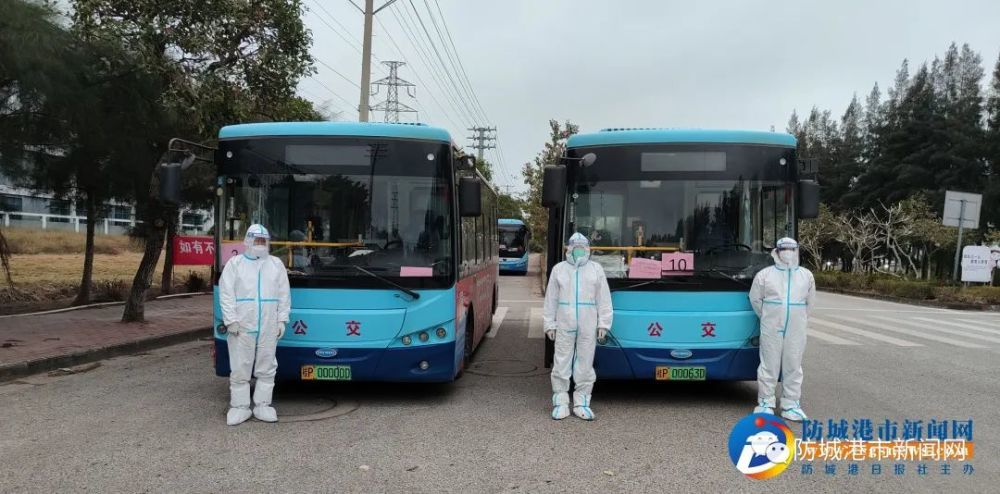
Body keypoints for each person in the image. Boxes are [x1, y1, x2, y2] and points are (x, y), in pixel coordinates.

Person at [218, 224, 291, 426]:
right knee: (240, 366)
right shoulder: (235, 264)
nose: (260, 244)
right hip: (242, 325)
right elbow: (226, 294)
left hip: (268, 324)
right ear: (248, 241)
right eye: (256, 240)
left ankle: (263, 405)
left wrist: (282, 319)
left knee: (267, 366)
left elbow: (284, 295)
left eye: (263, 241)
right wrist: (230, 319)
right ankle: (240, 407)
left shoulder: (276, 264)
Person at [543, 232, 613, 421]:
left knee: (585, 361)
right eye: (575, 247)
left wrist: (604, 323)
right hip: (565, 322)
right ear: (569, 249)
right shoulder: (559, 269)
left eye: (582, 247)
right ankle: (561, 401)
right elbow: (551, 299)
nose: (579, 251)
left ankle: (582, 401)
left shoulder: (596, 269)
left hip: (588, 323)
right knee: (561, 360)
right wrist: (549, 323)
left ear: (588, 249)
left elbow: (604, 299)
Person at [748, 237, 816, 422]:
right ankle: (765, 403)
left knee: (793, 365)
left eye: (791, 249)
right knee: (769, 364)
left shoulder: (806, 275)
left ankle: (791, 404)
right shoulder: (765, 275)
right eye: (784, 249)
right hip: (772, 326)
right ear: (776, 251)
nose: (787, 252)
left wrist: (797, 319)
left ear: (797, 251)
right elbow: (755, 299)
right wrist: (769, 316)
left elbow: (810, 303)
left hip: (796, 328)